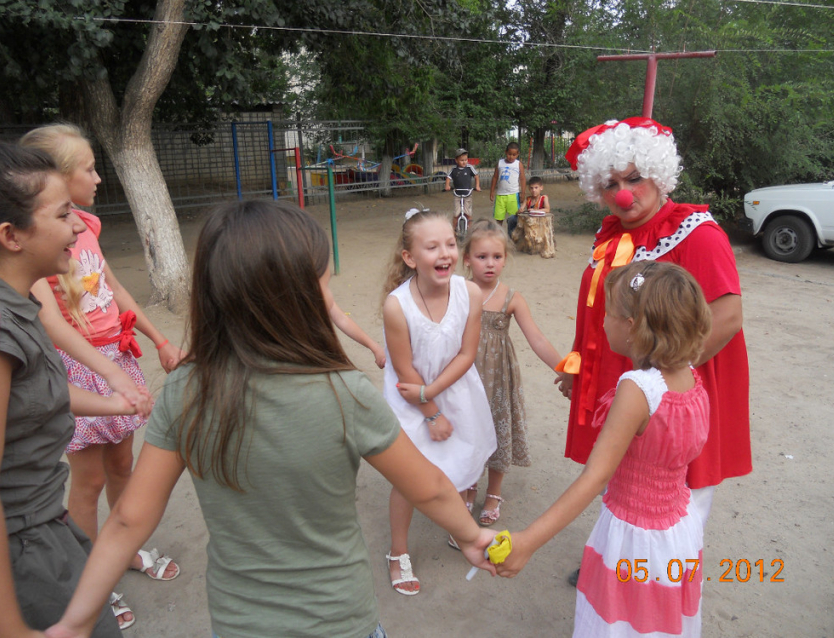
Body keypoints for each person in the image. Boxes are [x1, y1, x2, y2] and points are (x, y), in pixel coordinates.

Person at [45, 200, 496, 638]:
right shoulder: (344, 392)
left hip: (239, 621)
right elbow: (432, 488)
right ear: (296, 297)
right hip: (339, 618)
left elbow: (127, 519)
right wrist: (472, 535)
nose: (330, 295)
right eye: (324, 283)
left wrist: (75, 620)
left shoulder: (186, 390)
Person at [558, 118, 750, 556]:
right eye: (609, 183)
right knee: (626, 477)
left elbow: (728, 316)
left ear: (658, 174)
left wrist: (662, 385)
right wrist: (578, 365)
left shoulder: (695, 233)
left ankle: (666, 578)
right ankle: (623, 560)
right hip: (626, 387)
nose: (623, 193)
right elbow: (596, 313)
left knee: (679, 494)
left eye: (634, 177)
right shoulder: (611, 236)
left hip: (672, 394)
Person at [497, 261, 713, 638]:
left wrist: (528, 540)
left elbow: (595, 476)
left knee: (621, 625)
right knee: (660, 625)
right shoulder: (692, 378)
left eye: (608, 314)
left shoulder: (638, 388)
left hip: (634, 539)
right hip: (679, 533)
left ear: (631, 327)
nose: (602, 323)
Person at [20, 124, 182, 627]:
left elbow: (114, 291)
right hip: (83, 368)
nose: (97, 177)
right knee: (86, 482)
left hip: (115, 356)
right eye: (88, 168)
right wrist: (111, 376)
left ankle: (124, 550)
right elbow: (50, 319)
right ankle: (92, 574)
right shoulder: (40, 242)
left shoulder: (86, 227)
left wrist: (158, 339)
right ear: (55, 181)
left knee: (122, 466)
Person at [0, 142, 141, 638]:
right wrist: (12, 627)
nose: (79, 226)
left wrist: (111, 401)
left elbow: (33, 398)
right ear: (11, 236)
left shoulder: (19, 307)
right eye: (64, 215)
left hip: (44, 527)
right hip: (22, 543)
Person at [381, 208, 497, 595]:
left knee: (460, 462)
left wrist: (433, 395)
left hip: (454, 390)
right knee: (409, 478)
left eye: (450, 243)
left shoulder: (470, 292)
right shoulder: (397, 306)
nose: (445, 253)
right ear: (410, 258)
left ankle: (458, 527)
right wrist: (430, 413)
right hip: (409, 399)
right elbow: (404, 372)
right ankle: (398, 552)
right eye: (432, 247)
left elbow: (467, 354)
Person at [461, 219, 566, 525]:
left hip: (497, 378)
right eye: (481, 257)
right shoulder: (457, 291)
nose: (490, 264)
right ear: (467, 258)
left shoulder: (511, 298)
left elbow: (537, 338)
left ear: (506, 258)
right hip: (464, 376)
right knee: (466, 432)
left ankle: (494, 492)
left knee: (496, 429)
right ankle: (468, 485)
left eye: (497, 257)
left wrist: (564, 369)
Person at [489, 142, 525, 236]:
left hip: (513, 195)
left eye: (514, 155)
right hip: (500, 196)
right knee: (498, 218)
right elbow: (495, 177)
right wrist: (492, 191)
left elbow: (522, 178)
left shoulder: (518, 164)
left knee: (514, 218)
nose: (511, 157)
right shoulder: (500, 163)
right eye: (509, 154)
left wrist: (523, 193)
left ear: (518, 154)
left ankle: (513, 237)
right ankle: (498, 237)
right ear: (505, 152)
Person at [444, 148, 480, 228]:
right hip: (457, 194)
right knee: (456, 214)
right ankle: (453, 231)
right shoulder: (454, 170)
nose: (464, 162)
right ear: (456, 160)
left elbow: (476, 176)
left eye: (466, 160)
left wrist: (477, 186)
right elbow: (448, 177)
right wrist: (447, 185)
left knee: (468, 214)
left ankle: (469, 230)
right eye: (461, 160)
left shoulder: (470, 168)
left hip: (468, 193)